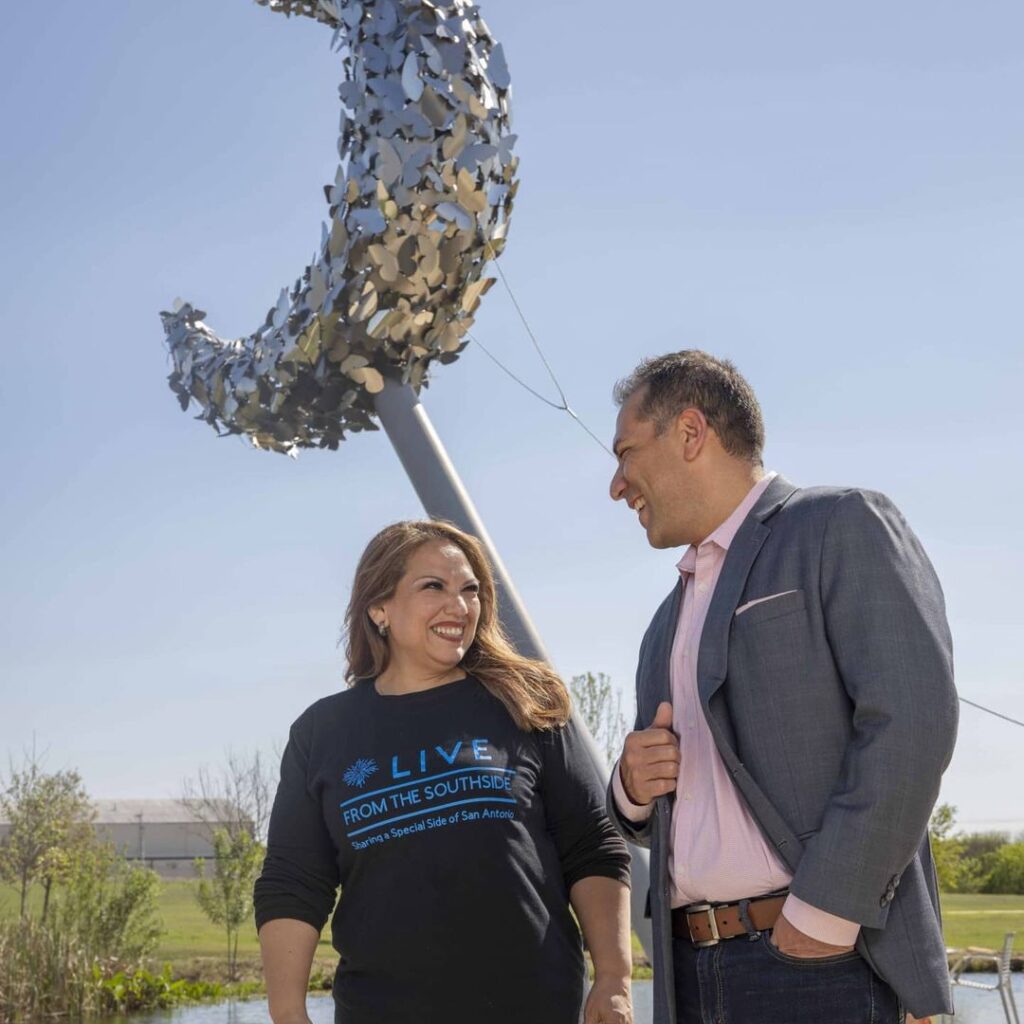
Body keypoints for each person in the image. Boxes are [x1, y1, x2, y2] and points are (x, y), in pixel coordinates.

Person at [606, 351, 957, 1024]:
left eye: (626, 453)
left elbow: (912, 721)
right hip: (690, 977)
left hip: (820, 961)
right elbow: (672, 811)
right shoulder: (664, 623)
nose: (617, 485)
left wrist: (824, 915)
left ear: (689, 433)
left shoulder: (841, 524)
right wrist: (631, 788)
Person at [254, 519, 633, 1024]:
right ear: (379, 608)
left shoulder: (525, 702)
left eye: (470, 590)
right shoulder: (321, 733)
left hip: (533, 1006)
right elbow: (293, 880)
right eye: (433, 586)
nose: (459, 606)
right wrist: (288, 1013)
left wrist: (613, 977)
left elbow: (592, 846)